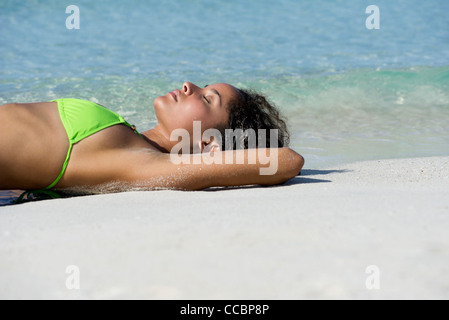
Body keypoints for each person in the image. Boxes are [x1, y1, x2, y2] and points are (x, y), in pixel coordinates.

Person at [0, 82, 304, 195]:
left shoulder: (145, 163)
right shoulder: (132, 142)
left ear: (209, 142)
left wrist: (213, 163)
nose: (189, 85)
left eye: (207, 99)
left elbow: (287, 161)